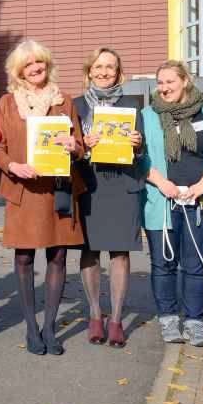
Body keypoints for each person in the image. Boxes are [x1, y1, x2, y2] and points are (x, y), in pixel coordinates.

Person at [0, 39, 85, 355]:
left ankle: (49, 327)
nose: (35, 68)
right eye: (28, 64)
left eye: (39, 63)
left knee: (58, 257)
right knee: (24, 257)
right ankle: (31, 328)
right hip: (24, 190)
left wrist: (75, 147)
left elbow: (81, 145)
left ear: (47, 65)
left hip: (57, 189)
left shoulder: (65, 101)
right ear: (18, 71)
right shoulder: (7, 103)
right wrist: (14, 166)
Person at [142, 60, 203, 347]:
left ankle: (194, 323)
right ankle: (168, 320)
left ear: (185, 82)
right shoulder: (146, 116)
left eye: (170, 81)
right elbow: (137, 157)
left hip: (199, 202)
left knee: (195, 266)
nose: (164, 88)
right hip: (161, 202)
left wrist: (201, 187)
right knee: (163, 265)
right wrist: (162, 183)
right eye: (160, 82)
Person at [73, 47, 144, 348]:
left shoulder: (132, 106)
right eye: (98, 67)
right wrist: (83, 146)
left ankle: (115, 320)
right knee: (89, 251)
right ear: (89, 70)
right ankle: (94, 315)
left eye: (110, 68)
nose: (104, 72)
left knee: (120, 253)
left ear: (119, 73)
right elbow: (68, 149)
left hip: (122, 186)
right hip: (90, 185)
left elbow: (142, 153)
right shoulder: (74, 106)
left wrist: (138, 144)